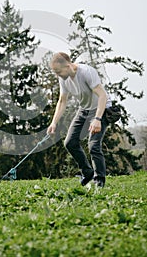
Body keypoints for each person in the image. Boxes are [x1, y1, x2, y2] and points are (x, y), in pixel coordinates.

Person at [47, 52, 112, 188]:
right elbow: (62, 101)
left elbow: (102, 96)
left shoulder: (86, 72)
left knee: (93, 145)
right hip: (84, 110)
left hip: (101, 108)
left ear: (68, 65)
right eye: (55, 72)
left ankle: (99, 181)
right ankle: (87, 172)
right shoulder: (63, 78)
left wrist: (98, 119)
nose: (58, 75)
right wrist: (54, 122)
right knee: (70, 142)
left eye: (59, 71)